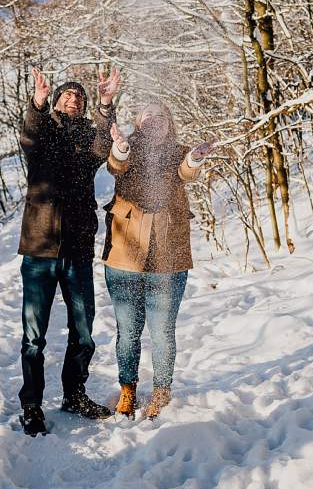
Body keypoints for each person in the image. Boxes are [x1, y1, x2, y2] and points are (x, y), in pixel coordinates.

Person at [15, 65, 121, 436]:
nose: (73, 99)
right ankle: (31, 406)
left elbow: (104, 145)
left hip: (77, 249)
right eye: (66, 95)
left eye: (79, 96)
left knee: (84, 331)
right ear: (57, 101)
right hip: (40, 248)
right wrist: (38, 102)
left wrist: (106, 103)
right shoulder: (42, 134)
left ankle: (74, 394)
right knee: (34, 337)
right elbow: (29, 136)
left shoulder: (88, 139)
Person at [101, 102, 214, 419]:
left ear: (170, 124)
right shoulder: (128, 148)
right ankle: (128, 390)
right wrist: (120, 148)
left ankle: (162, 391)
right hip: (125, 255)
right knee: (128, 330)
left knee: (162, 330)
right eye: (148, 117)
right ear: (138, 123)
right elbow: (115, 165)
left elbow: (186, 171)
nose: (155, 122)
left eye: (161, 117)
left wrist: (195, 157)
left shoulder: (180, 152)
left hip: (169, 256)